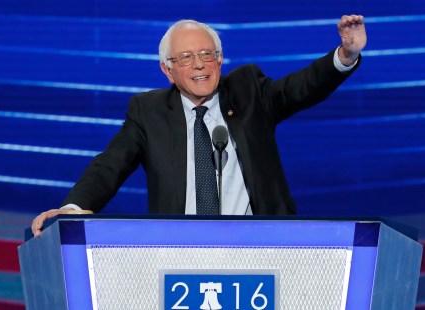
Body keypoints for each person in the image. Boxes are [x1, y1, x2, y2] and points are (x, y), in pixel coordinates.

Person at [32, 15, 367, 237]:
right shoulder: (148, 111)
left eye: (207, 54)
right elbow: (110, 164)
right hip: (179, 253)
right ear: (167, 70)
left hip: (263, 246)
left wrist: (345, 55)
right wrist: (72, 208)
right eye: (186, 58)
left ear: (220, 60)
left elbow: (301, 87)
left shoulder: (249, 90)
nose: (199, 65)